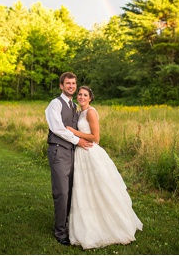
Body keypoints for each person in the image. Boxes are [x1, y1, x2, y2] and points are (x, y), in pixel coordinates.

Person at [65, 86, 143, 249]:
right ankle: (88, 223)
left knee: (100, 188)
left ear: (90, 98)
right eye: (80, 94)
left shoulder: (91, 112)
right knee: (84, 190)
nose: (82, 97)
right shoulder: (79, 112)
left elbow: (96, 137)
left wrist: (74, 132)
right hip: (81, 154)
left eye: (85, 95)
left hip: (90, 153)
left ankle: (111, 225)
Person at [45, 72, 93, 246]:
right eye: (68, 83)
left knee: (72, 191)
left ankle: (68, 225)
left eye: (73, 83)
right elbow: (58, 128)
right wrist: (78, 140)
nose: (71, 86)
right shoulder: (55, 104)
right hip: (59, 151)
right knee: (62, 192)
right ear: (61, 85)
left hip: (73, 153)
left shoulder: (73, 105)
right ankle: (60, 232)